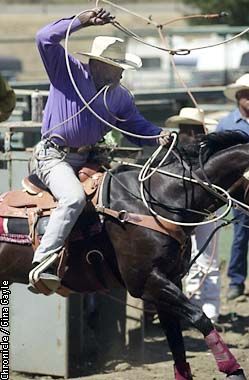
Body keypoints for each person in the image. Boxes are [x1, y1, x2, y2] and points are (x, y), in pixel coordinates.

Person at [28, 7, 169, 292]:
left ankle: (96, 265)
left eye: (121, 68)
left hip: (87, 158)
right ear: (96, 64)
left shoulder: (119, 97)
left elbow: (139, 128)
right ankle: (42, 262)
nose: (119, 73)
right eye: (114, 66)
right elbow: (44, 38)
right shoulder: (66, 71)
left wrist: (160, 136)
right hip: (52, 155)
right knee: (72, 198)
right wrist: (80, 21)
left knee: (118, 205)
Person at [165, 107, 220, 323]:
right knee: (183, 262)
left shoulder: (210, 157)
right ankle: (193, 307)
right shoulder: (172, 155)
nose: (191, 136)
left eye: (196, 131)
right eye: (186, 130)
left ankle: (211, 312)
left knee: (208, 262)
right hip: (179, 215)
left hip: (205, 212)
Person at [216, 73, 249, 300]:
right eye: (246, 96)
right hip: (240, 189)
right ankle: (236, 281)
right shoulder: (227, 124)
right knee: (240, 235)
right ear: (238, 98)